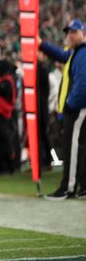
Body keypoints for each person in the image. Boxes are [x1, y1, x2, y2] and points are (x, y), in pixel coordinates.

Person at [39, 19, 86, 199]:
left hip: (78, 108)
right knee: (80, 147)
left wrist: (70, 104)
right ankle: (82, 187)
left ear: (83, 33)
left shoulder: (82, 53)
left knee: (71, 147)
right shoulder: (77, 52)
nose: (69, 35)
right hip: (80, 107)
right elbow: (62, 55)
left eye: (74, 32)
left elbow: (83, 84)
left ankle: (68, 187)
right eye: (68, 33)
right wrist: (42, 44)